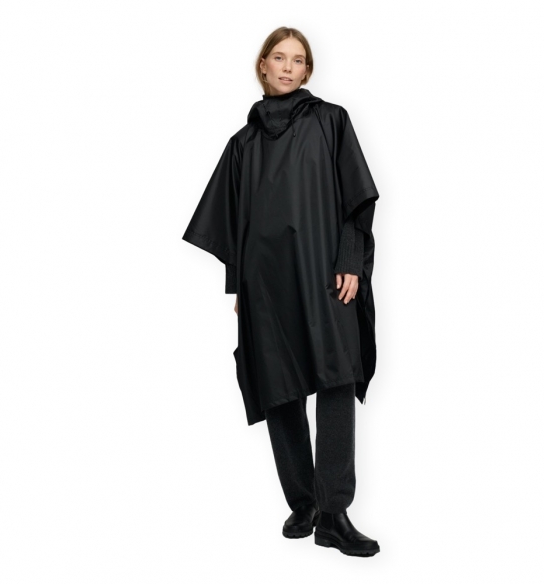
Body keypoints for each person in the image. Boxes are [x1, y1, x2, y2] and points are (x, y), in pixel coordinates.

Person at [182, 27, 381, 557]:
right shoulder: (242, 144)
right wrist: (238, 288)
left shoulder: (330, 121)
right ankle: (304, 502)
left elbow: (356, 196)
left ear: (307, 71)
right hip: (265, 284)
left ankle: (334, 513)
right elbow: (232, 224)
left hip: (324, 274)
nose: (288, 67)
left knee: (336, 378)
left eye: (298, 60)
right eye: (279, 57)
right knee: (280, 387)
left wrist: (350, 261)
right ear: (263, 66)